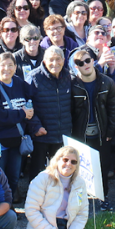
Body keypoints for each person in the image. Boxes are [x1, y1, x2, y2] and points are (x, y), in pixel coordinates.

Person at [23, 144, 99, 229]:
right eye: (65, 160)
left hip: (66, 228)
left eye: (73, 162)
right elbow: (31, 211)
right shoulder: (42, 178)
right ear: (57, 160)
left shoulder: (80, 183)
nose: (69, 164)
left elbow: (82, 214)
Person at [68, 41, 115, 210]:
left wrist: (110, 130)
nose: (85, 65)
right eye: (79, 63)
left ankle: (103, 197)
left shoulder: (107, 83)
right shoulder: (72, 85)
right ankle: (81, 200)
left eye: (87, 60)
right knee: (79, 169)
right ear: (76, 67)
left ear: (93, 60)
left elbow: (113, 108)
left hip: (101, 132)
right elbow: (70, 111)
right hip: (80, 133)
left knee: (102, 167)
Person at [0, 50, 39, 196]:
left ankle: (9, 204)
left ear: (15, 67)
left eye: (10, 65)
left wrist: (30, 112)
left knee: (13, 176)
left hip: (16, 138)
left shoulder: (19, 82)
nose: (7, 69)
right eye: (3, 65)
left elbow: (31, 100)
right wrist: (22, 114)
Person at [23, 44, 72, 186]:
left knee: (60, 171)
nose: (55, 63)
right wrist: (36, 127)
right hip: (41, 134)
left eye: (58, 59)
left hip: (62, 134)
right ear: (44, 61)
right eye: (51, 60)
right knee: (37, 172)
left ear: (63, 60)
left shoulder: (68, 76)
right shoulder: (33, 77)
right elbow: (27, 106)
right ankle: (34, 201)